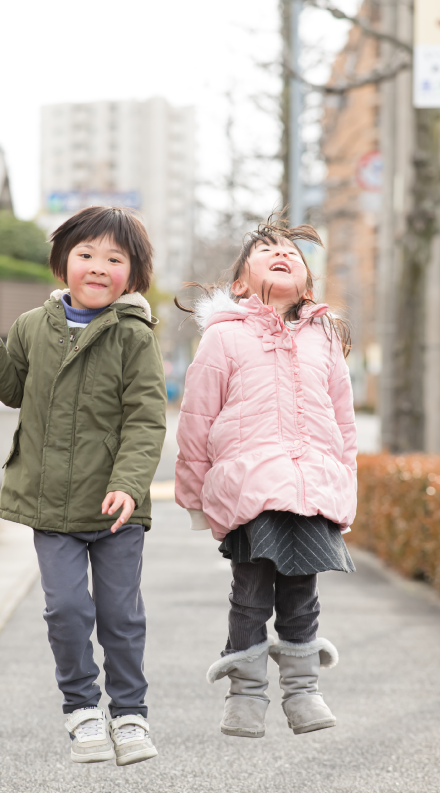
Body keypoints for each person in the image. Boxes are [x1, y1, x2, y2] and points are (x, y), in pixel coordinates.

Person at [0, 206, 167, 766]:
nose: (98, 267)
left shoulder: (134, 335)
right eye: (86, 255)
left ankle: (129, 714)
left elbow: (146, 418)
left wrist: (129, 484)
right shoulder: (34, 325)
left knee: (120, 616)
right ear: (63, 263)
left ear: (133, 273)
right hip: (50, 506)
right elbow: (13, 391)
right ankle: (81, 709)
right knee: (67, 611)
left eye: (114, 259)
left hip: (117, 509)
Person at [175, 215, 357, 739]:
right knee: (251, 593)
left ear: (307, 283)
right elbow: (196, 419)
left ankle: (302, 692)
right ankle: (246, 695)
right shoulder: (224, 339)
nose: (282, 254)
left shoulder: (323, 339)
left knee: (302, 594)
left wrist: (345, 488)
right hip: (251, 489)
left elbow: (343, 421)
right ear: (238, 284)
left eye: (293, 254)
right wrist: (195, 500)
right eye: (266, 250)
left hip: (314, 489)